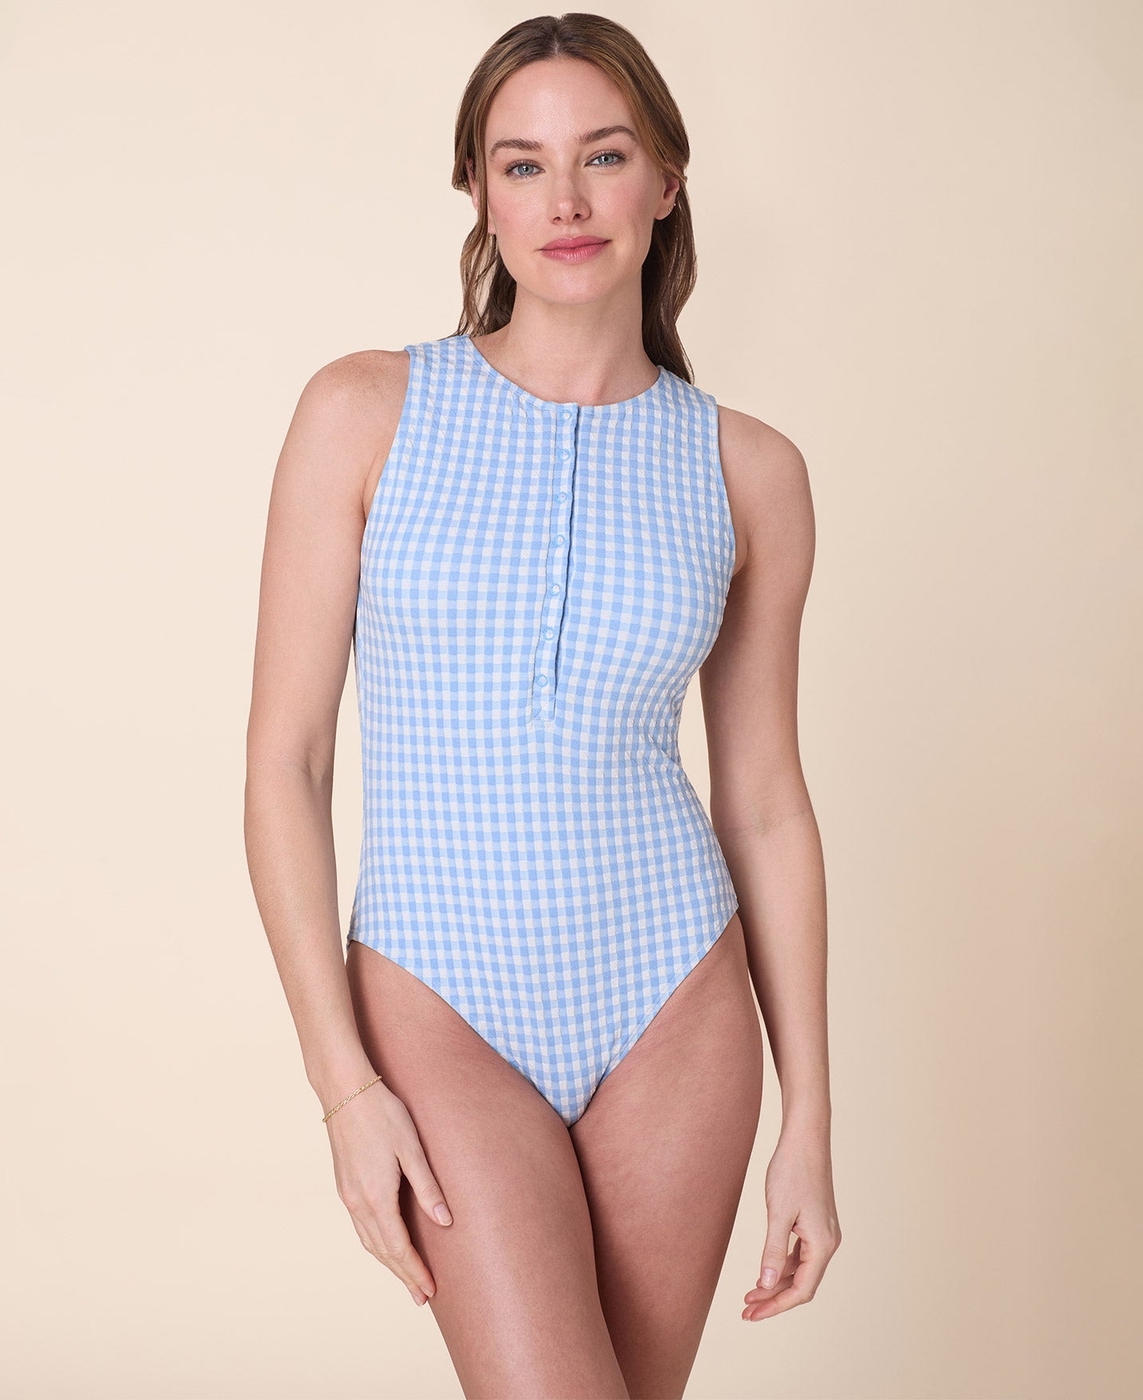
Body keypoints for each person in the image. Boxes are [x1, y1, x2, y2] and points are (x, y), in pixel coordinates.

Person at [244, 12, 840, 1397]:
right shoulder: (364, 410)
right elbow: (287, 762)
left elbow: (764, 801)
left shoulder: (749, 471)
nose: (565, 200)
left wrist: (808, 1120)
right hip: (435, 995)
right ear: (480, 193)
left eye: (603, 156)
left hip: (674, 999)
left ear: (666, 180)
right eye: (522, 165)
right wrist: (345, 1089)